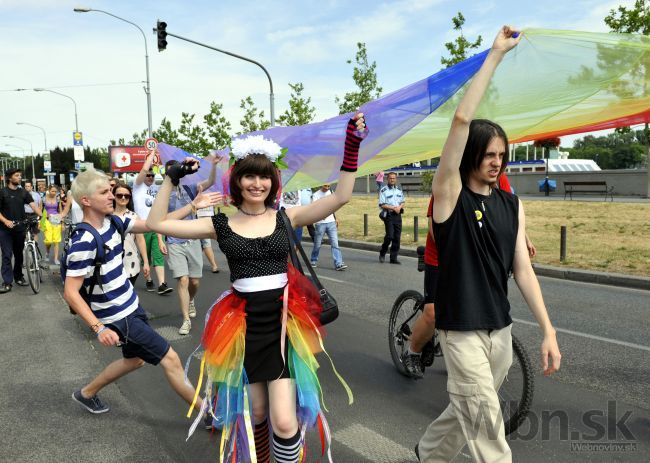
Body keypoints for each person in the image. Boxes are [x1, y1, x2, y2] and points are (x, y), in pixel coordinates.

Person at [146, 115, 365, 463]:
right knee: (258, 414)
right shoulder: (219, 224)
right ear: (238, 180)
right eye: (249, 175)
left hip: (281, 326)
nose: (257, 183)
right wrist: (170, 180)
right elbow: (157, 223)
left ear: (273, 181)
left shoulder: (286, 217)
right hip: (243, 329)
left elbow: (341, 196)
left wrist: (351, 147)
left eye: (264, 176)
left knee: (283, 420)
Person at [416, 27, 561, 463]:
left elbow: (523, 271)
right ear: (470, 155)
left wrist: (548, 330)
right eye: (488, 153)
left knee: (469, 408)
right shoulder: (449, 196)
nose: (497, 161)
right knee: (489, 433)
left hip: (500, 329)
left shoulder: (512, 205)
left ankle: (427, 453)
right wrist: (494, 57)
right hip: (460, 331)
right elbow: (461, 121)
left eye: (502, 154)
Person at [63, 168, 214, 416]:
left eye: (111, 191)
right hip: (119, 318)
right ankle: (207, 413)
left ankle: (86, 393)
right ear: (86, 201)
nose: (112, 196)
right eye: (104, 192)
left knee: (135, 359)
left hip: (131, 306)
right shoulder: (84, 242)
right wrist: (98, 328)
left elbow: (156, 224)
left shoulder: (115, 222)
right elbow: (71, 292)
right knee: (171, 359)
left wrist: (192, 207)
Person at [164, 154, 220, 335]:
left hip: (192, 239)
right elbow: (158, 219)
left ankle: (190, 299)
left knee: (194, 281)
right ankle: (186, 319)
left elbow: (210, 181)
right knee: (183, 279)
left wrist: (213, 165)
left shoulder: (190, 189)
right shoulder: (162, 195)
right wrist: (159, 239)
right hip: (174, 241)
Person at [401, 194, 438, 379]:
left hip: (468, 262)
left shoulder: (498, 181)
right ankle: (413, 350)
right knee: (432, 313)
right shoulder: (448, 185)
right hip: (440, 259)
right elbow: (435, 230)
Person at [132, 153, 172, 295]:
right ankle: (149, 279)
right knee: (146, 257)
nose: (150, 177)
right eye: (148, 176)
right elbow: (143, 171)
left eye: (152, 176)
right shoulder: (137, 187)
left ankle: (162, 284)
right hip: (141, 227)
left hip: (155, 226)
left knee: (158, 254)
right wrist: (151, 156)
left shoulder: (155, 187)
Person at [0, 168, 42, 293]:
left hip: (20, 228)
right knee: (7, 255)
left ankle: (18, 277)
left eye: (20, 175)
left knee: (19, 255)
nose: (19, 177)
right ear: (9, 178)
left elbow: (34, 206)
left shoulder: (23, 192)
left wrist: (43, 217)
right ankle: (7, 282)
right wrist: (6, 221)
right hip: (4, 230)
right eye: (17, 175)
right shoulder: (2, 192)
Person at [112, 182, 150, 286]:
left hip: (130, 262)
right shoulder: (106, 215)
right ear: (113, 196)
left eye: (127, 196)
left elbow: (140, 240)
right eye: (119, 195)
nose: (123, 198)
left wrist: (146, 262)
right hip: (110, 261)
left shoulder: (134, 216)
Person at [309, 184, 347, 270]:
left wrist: (335, 218)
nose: (327, 188)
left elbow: (333, 207)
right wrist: (321, 215)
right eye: (325, 186)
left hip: (331, 222)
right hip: (320, 223)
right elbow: (314, 208)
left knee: (335, 243)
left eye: (328, 186)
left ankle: (338, 263)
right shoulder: (316, 195)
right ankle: (313, 260)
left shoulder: (331, 192)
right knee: (317, 244)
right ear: (321, 185)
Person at [378, 172, 405, 264]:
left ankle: (393, 258)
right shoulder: (383, 190)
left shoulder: (399, 190)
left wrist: (399, 207)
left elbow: (402, 201)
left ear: (396, 179)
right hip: (389, 215)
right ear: (387, 179)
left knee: (397, 237)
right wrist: (393, 208)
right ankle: (382, 252)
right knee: (390, 236)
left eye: (394, 178)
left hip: (397, 215)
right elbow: (382, 204)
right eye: (390, 178)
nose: (392, 180)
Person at [42, 184, 63, 265]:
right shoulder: (44, 199)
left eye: (55, 191)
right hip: (47, 221)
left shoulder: (58, 199)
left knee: (56, 241)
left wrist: (62, 222)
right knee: (48, 240)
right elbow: (41, 210)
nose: (54, 193)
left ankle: (56, 258)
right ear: (49, 190)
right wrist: (41, 221)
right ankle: (47, 253)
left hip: (56, 220)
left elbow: (61, 211)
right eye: (52, 191)